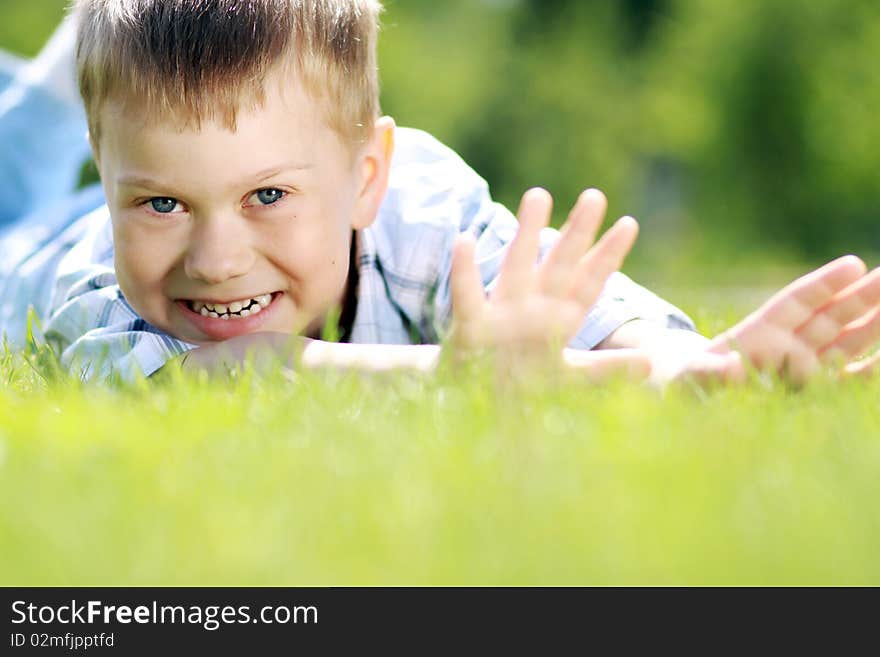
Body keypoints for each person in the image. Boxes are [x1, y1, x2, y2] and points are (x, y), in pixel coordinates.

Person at [1, 0, 878, 386]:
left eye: (267, 195)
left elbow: (583, 309)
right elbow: (230, 376)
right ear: (112, 177)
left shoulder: (421, 205)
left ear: (366, 178)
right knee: (17, 167)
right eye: (161, 204)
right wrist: (455, 380)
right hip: (31, 234)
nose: (216, 259)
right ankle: (59, 78)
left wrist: (697, 367)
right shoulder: (100, 297)